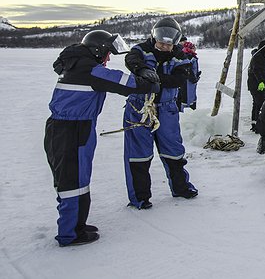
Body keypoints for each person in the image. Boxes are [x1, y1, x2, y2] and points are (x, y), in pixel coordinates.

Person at [44, 30, 159, 246]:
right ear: (98, 50)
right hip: (72, 130)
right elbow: (124, 82)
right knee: (73, 181)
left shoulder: (76, 64)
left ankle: (77, 224)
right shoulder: (89, 70)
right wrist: (149, 81)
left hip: (68, 128)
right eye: (107, 54)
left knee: (77, 178)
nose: (107, 59)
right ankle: (69, 234)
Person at [122, 17, 199, 210]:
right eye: (161, 43)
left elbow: (178, 79)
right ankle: (140, 197)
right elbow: (130, 60)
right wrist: (141, 69)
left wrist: (155, 78)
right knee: (138, 154)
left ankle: (181, 187)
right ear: (154, 37)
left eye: (168, 44)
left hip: (167, 108)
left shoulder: (181, 56)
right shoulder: (140, 50)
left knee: (173, 150)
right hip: (139, 108)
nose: (164, 47)